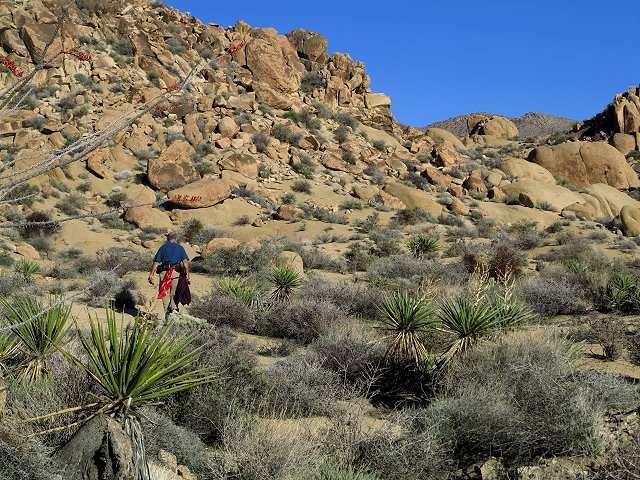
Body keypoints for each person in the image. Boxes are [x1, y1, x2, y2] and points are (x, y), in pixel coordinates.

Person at [148, 231, 190, 319]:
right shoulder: (180, 248)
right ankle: (174, 310)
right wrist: (187, 273)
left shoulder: (163, 247)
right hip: (176, 273)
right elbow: (185, 261)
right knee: (174, 293)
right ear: (176, 238)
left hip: (164, 273)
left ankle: (168, 315)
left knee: (165, 294)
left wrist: (151, 274)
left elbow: (157, 262)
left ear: (168, 238)